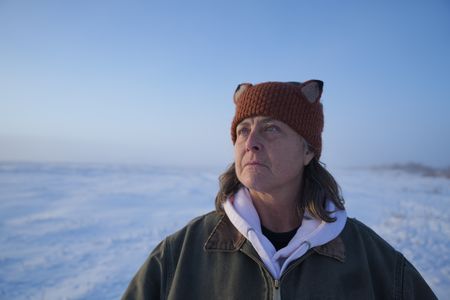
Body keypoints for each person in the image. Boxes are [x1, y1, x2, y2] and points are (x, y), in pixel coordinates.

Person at [122, 80, 437, 299]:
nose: (251, 142)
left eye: (271, 128)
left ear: (308, 152)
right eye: (243, 130)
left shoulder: (369, 258)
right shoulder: (181, 254)